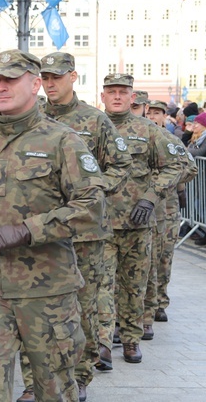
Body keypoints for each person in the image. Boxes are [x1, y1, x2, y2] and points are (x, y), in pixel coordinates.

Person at [0, 49, 106, 401]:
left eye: (10, 80)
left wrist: (28, 230)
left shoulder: (62, 141)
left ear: (35, 84)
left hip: (47, 290)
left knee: (53, 388)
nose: (1, 87)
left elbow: (92, 207)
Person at [16, 52, 132, 402]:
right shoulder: (27, 117)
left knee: (81, 309)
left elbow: (120, 165)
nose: (50, 83)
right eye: (45, 77)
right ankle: (33, 382)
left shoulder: (96, 121)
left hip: (83, 232)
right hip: (36, 231)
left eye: (57, 77)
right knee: (31, 309)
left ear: (73, 78)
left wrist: (92, 188)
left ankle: (78, 377)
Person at [96, 74, 182, 370]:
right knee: (101, 286)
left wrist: (151, 197)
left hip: (137, 224)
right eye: (111, 92)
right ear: (103, 96)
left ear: (133, 97)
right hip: (100, 225)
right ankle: (103, 343)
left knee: (133, 286)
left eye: (123, 92)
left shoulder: (148, 131)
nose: (117, 97)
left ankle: (131, 338)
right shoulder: (91, 128)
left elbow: (180, 165)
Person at [142, 100, 197, 335]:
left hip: (168, 209)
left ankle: (160, 302)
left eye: (158, 113)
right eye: (150, 112)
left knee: (164, 258)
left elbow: (190, 167)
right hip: (144, 210)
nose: (154, 116)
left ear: (165, 116)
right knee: (146, 260)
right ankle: (144, 305)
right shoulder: (139, 138)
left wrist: (170, 181)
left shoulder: (172, 140)